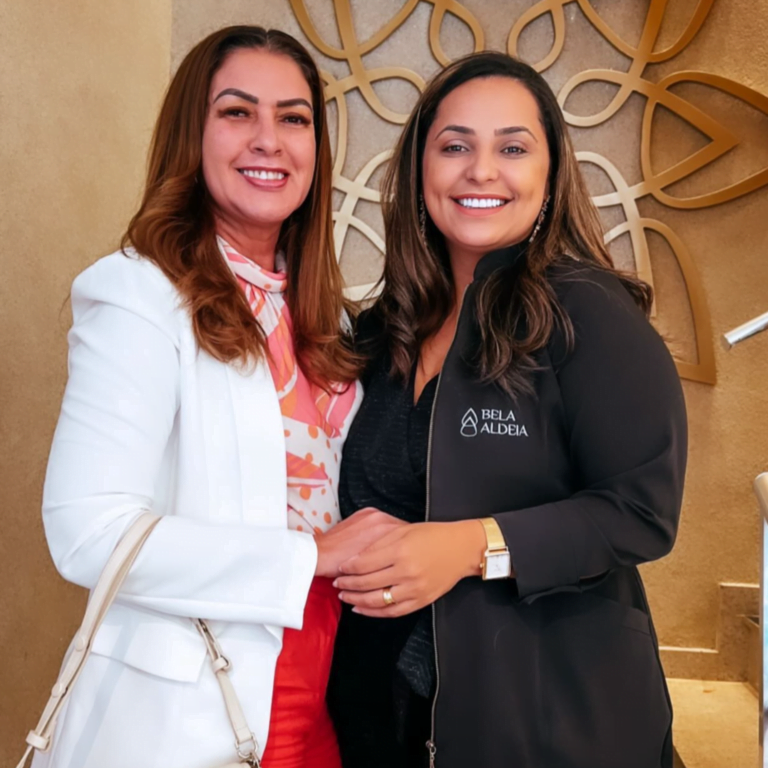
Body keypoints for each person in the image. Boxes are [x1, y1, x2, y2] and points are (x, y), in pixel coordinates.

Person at [34, 25, 401, 768]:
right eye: (237, 112)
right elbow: (87, 531)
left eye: (293, 118)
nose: (269, 139)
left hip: (325, 690)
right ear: (191, 135)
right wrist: (310, 556)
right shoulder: (138, 294)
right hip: (195, 710)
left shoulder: (325, 317)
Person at [328, 51, 687, 768]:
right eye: (455, 146)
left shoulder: (590, 315)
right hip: (382, 710)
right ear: (420, 170)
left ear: (550, 176)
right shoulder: (382, 329)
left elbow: (641, 511)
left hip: (543, 720)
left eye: (513, 148)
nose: (481, 170)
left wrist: (468, 546)